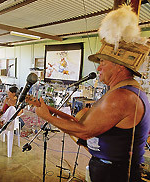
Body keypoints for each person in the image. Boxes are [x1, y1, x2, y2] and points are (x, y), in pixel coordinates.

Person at [33, 5, 150, 182]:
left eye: (103, 62)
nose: (99, 67)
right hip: (111, 168)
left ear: (119, 66)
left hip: (115, 173)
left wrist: (46, 117)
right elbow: (81, 123)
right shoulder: (124, 90)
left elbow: (84, 131)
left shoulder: (121, 96)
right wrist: (49, 110)